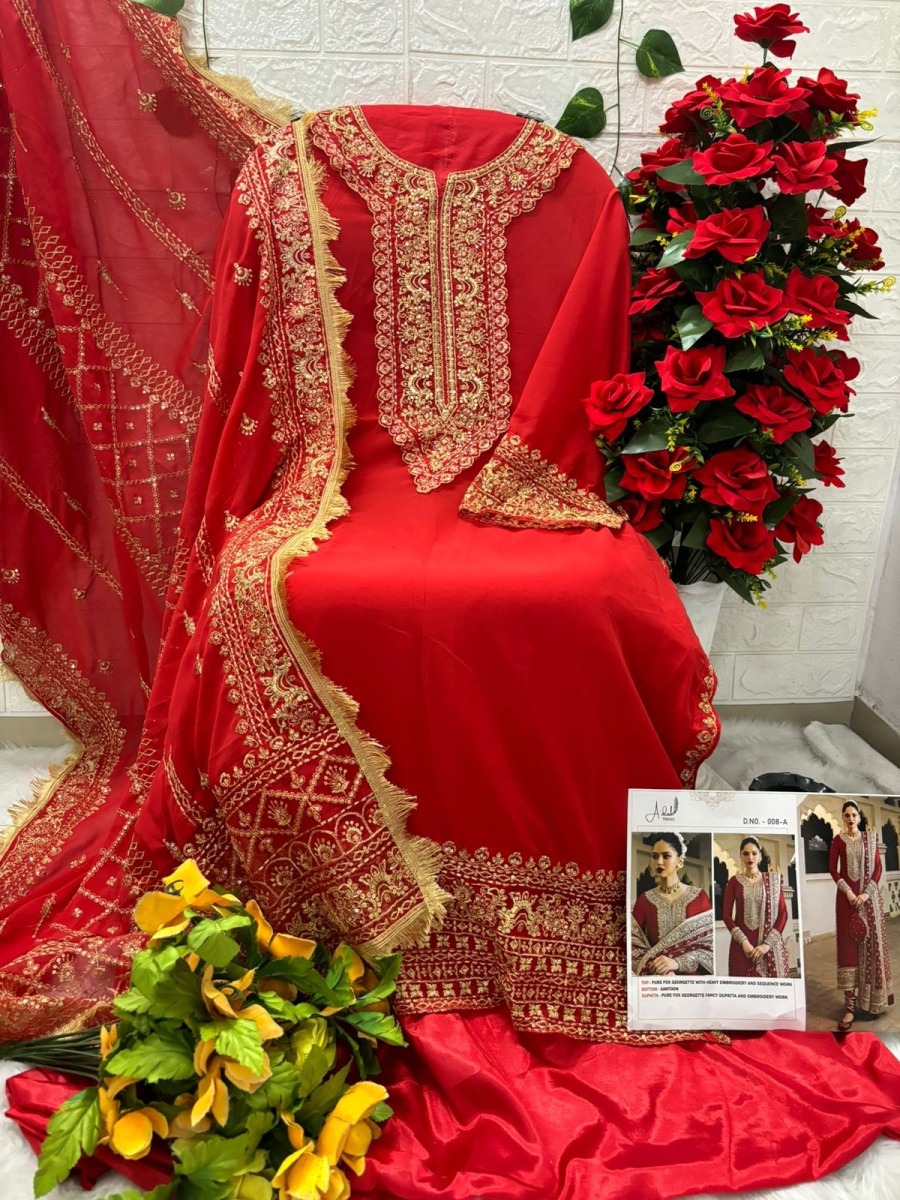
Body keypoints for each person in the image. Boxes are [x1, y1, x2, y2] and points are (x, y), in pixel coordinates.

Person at [830, 799, 895, 1031]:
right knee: (848, 953)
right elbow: (833, 868)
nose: (850, 819)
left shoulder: (870, 839)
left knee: (872, 947)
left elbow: (877, 869)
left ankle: (870, 1001)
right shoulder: (838, 840)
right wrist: (848, 892)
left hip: (869, 902)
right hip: (846, 902)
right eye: (846, 815)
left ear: (859, 817)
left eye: (854, 815)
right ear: (843, 818)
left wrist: (866, 894)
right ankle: (849, 1008)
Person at [631, 832, 714, 975]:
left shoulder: (699, 897)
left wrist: (677, 963)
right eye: (655, 856)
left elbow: (710, 948)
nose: (659, 862)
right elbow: (634, 946)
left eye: (666, 856)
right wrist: (660, 968)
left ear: (680, 861)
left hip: (692, 982)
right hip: (656, 978)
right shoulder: (644, 900)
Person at [722, 836, 790, 978]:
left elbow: (783, 914)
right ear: (740, 856)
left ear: (760, 856)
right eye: (746, 853)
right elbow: (726, 916)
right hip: (741, 947)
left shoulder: (773, 881)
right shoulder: (734, 882)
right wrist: (743, 941)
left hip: (768, 947)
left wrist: (767, 945)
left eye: (754, 853)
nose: (750, 857)